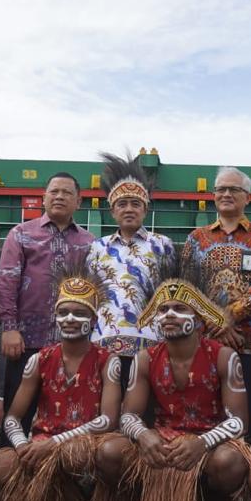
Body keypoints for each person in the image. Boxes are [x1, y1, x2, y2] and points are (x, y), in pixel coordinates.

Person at [94, 278, 251, 501]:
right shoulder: (144, 358)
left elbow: (239, 422)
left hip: (208, 444)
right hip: (164, 442)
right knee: (109, 452)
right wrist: (144, 436)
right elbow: (129, 415)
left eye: (180, 309)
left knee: (230, 462)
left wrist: (202, 443)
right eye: (163, 309)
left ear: (199, 318)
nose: (169, 316)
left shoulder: (223, 356)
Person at [0, 276, 122, 501]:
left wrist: (55, 443)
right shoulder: (39, 359)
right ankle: (54, 498)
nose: (70, 319)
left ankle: (87, 499)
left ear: (94, 321)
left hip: (86, 445)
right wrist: (22, 446)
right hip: (41, 444)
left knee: (73, 457)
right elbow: (12, 418)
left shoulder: (108, 361)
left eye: (79, 313)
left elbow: (108, 420)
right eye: (63, 312)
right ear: (55, 317)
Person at [180, 166, 251, 444]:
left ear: (248, 197)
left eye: (233, 189)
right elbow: (186, 287)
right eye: (220, 189)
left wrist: (228, 316)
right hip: (205, 340)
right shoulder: (196, 238)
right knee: (205, 411)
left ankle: (249, 475)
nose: (226, 194)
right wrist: (216, 322)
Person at [0, 173, 95, 446]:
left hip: (72, 347)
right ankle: (6, 477)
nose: (59, 197)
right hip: (26, 342)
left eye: (66, 192)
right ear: (43, 197)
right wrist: (9, 329)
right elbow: (7, 281)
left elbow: (96, 294)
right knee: (16, 415)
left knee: (68, 418)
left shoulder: (90, 242)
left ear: (79, 201)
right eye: (54, 192)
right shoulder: (21, 234)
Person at [88, 152, 176, 386]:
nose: (129, 209)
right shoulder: (98, 247)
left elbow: (172, 293)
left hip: (150, 341)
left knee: (142, 409)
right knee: (106, 406)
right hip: (104, 340)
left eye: (136, 204)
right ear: (112, 211)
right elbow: (89, 296)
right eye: (122, 204)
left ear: (145, 210)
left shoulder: (162, 245)